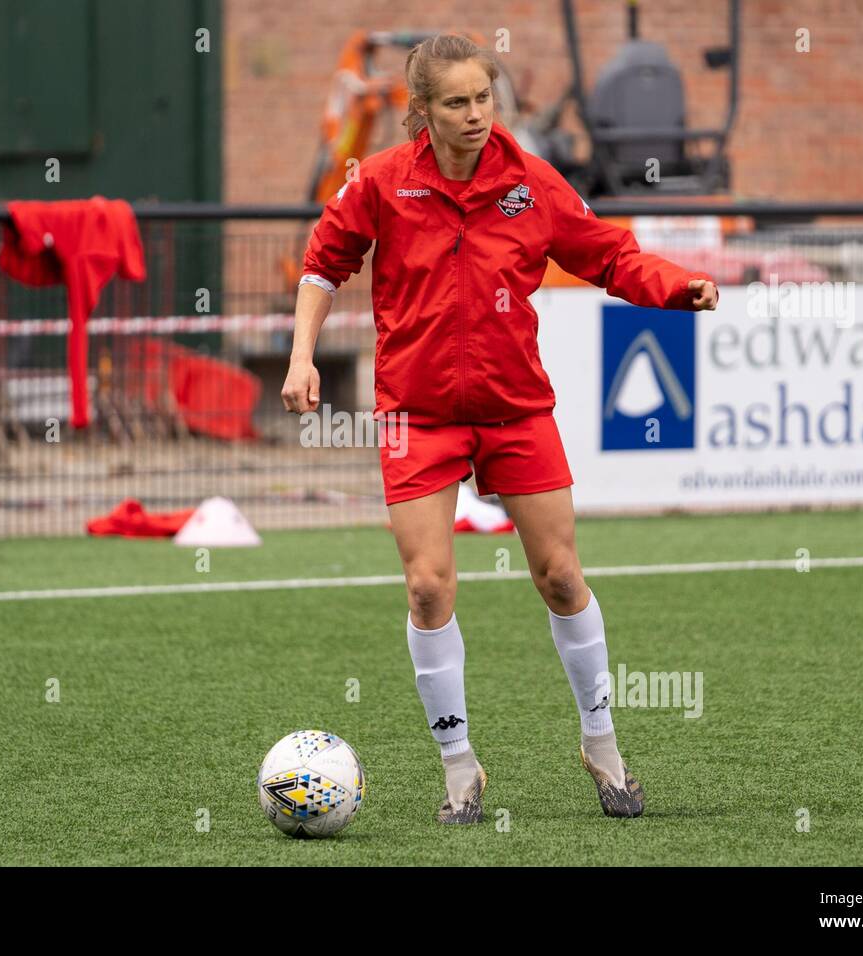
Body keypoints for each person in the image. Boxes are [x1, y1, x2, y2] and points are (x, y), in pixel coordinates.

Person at [282, 33, 718, 824]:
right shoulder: (379, 182)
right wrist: (302, 357)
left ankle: (603, 746)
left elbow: (612, 258)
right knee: (426, 586)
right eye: (456, 102)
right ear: (422, 111)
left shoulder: (532, 182)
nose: (476, 114)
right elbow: (321, 264)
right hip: (418, 414)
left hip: (516, 408)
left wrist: (677, 287)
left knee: (558, 575)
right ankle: (460, 771)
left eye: (484, 97)